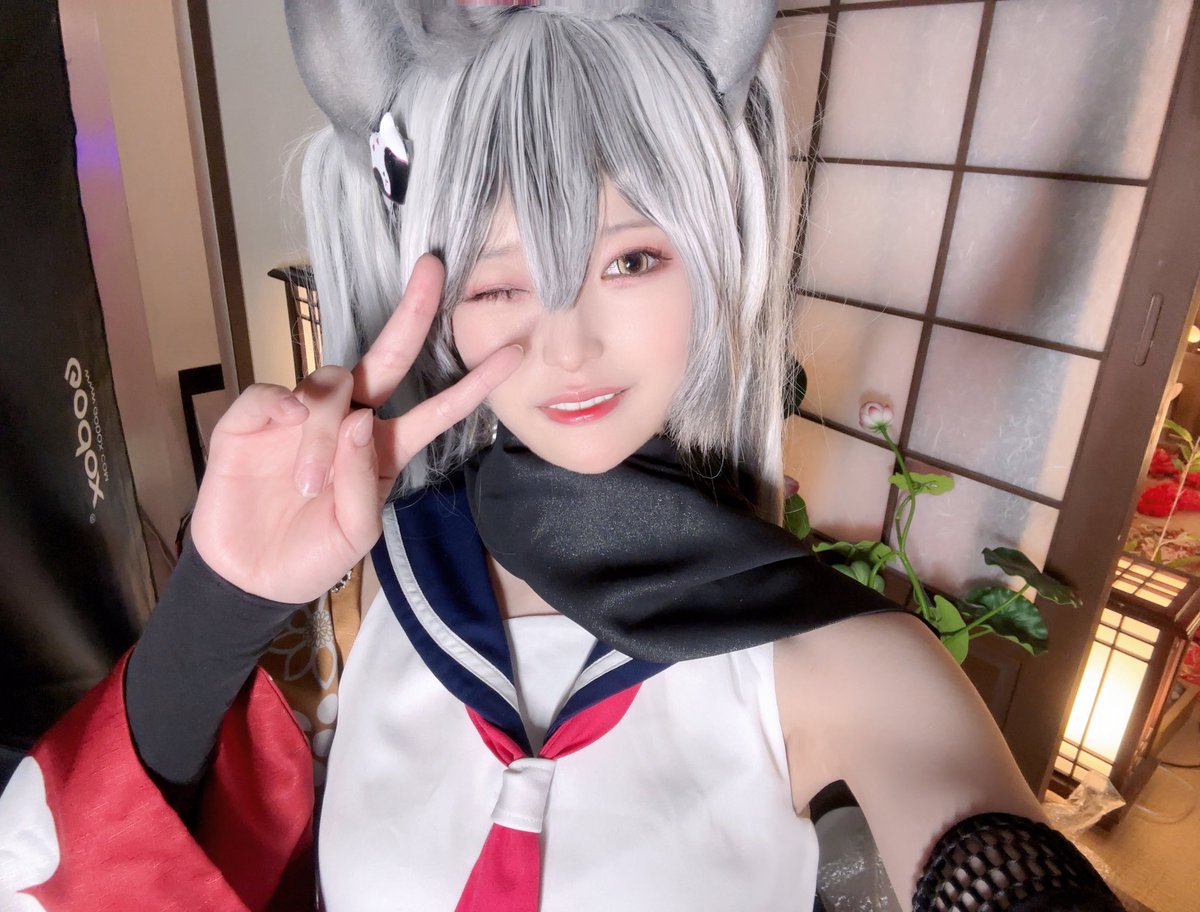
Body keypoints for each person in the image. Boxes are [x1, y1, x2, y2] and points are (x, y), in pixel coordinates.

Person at [0, 2, 1126, 910]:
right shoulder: (380, 596)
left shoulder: (828, 663)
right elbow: (70, 871)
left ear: (713, 251)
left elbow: (994, 858)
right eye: (498, 283)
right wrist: (220, 604)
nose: (570, 343)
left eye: (630, 260)